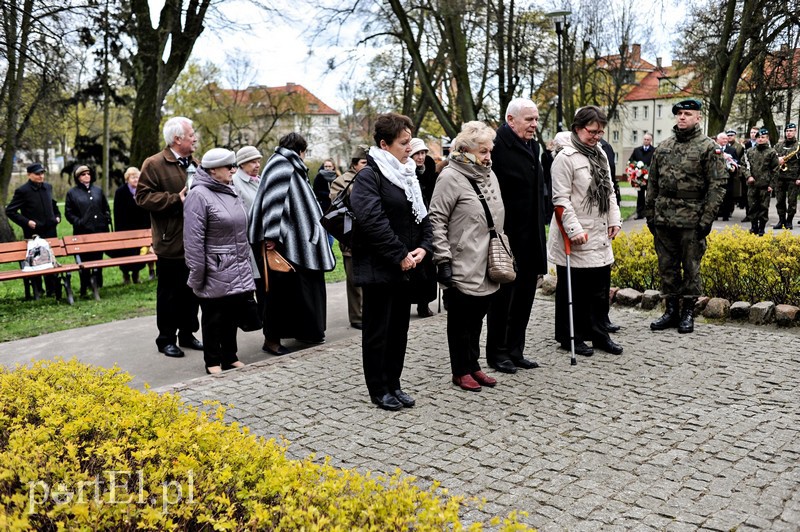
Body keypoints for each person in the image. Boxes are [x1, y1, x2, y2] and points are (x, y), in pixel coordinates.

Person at [349, 113, 433, 411]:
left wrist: (424, 247)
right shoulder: (370, 176)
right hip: (381, 266)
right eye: (403, 143)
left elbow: (422, 216)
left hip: (407, 265)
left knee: (399, 329)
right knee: (378, 331)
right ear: (384, 144)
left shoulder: (408, 174)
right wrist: (399, 254)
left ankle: (395, 384)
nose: (409, 148)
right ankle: (378, 388)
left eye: (410, 141)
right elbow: (372, 220)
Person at [429, 121, 504, 391]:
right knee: (461, 319)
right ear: (465, 150)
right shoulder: (450, 177)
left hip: (486, 258)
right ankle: (460, 370)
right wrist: (443, 259)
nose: (488, 157)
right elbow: (436, 220)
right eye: (483, 151)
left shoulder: (488, 173)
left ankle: (473, 365)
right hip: (461, 259)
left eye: (490, 151)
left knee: (477, 317)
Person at [249, 133, 335, 355]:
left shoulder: (288, 164)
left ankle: (305, 332)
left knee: (298, 291)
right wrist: (270, 236)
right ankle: (272, 340)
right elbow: (273, 202)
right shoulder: (282, 165)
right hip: (282, 244)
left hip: (296, 243)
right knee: (278, 294)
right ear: (300, 151)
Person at [644, 99, 726, 334]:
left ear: (698, 117)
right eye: (679, 113)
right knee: (666, 266)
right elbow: (652, 182)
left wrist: (707, 218)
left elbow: (717, 185)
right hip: (664, 217)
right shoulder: (664, 146)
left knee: (691, 266)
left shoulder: (707, 147)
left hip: (692, 217)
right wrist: (650, 213)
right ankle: (671, 310)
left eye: (687, 114)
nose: (682, 117)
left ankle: (688, 311)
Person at [548, 106, 623, 356]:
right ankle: (571, 336)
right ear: (578, 129)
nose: (597, 136)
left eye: (600, 131)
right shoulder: (565, 158)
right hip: (577, 233)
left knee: (599, 290)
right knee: (574, 290)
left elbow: (609, 189)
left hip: (600, 232)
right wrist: (573, 229)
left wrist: (615, 219)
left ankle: (599, 334)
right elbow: (561, 200)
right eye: (592, 131)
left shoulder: (600, 153)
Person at [485, 97, 547, 374]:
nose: (534, 124)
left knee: (524, 297)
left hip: (530, 236)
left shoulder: (532, 145)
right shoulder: (496, 148)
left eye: (536, 119)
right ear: (511, 120)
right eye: (529, 119)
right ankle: (497, 353)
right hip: (507, 238)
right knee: (503, 300)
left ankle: (515, 350)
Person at [184, 148, 256, 375]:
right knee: (213, 316)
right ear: (213, 170)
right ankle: (212, 360)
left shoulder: (230, 189)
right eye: (229, 167)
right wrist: (197, 275)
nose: (233, 170)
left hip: (236, 264)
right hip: (213, 266)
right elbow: (193, 240)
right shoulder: (199, 195)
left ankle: (230, 356)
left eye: (234, 166)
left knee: (232, 314)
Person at [136, 116, 203, 358]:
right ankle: (166, 339)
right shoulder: (154, 164)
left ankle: (187, 333)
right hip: (170, 241)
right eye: (191, 134)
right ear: (177, 139)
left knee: (191, 291)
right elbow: (142, 198)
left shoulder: (195, 163)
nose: (194, 138)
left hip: (194, 241)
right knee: (169, 294)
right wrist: (176, 199)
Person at [232, 145, 272, 349]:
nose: (257, 165)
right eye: (252, 162)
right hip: (248, 245)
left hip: (263, 242)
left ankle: (270, 333)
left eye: (258, 161)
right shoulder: (236, 183)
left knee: (266, 289)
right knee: (257, 289)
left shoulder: (258, 180)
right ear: (241, 164)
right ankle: (266, 334)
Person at [5, 162, 61, 298]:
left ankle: (52, 290)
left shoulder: (48, 187)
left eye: (42, 173)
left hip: (50, 231)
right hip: (34, 233)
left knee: (50, 259)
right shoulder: (22, 191)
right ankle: (38, 291)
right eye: (37, 174)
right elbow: (10, 211)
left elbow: (53, 205)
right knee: (36, 262)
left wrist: (57, 217)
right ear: (29, 175)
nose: (41, 176)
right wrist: (27, 222)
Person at [329, 145, 368, 330]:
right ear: (354, 164)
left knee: (369, 279)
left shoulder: (372, 177)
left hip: (370, 236)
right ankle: (357, 316)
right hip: (351, 237)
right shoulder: (341, 181)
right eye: (363, 163)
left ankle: (368, 313)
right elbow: (338, 206)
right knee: (354, 281)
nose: (366, 166)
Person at [65, 165, 112, 298]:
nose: (87, 176)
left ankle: (97, 284)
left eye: (88, 173)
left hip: (99, 230)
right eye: (83, 174)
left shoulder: (97, 191)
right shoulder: (72, 193)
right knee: (84, 262)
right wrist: (78, 222)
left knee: (98, 259)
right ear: (78, 177)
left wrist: (106, 217)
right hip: (82, 233)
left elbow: (105, 207)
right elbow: (68, 213)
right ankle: (84, 286)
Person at [409, 137, 438, 318]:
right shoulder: (406, 173)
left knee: (427, 267)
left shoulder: (429, 172)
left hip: (427, 223)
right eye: (417, 153)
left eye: (423, 153)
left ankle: (424, 303)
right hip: (411, 225)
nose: (420, 157)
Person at [114, 167, 155, 284]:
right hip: (125, 228)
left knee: (139, 252)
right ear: (127, 179)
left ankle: (136, 275)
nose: (136, 179)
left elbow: (147, 210)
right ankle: (126, 275)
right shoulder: (120, 192)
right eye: (133, 177)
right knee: (126, 253)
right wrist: (119, 231)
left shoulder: (142, 191)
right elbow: (118, 212)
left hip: (141, 228)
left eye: (137, 177)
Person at [746, 128, 780, 236]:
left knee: (763, 208)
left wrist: (771, 185)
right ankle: (753, 226)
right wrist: (748, 176)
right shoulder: (750, 151)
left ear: (767, 138)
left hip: (765, 186)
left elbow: (775, 169)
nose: (760, 139)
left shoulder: (771, 152)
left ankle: (761, 228)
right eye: (758, 137)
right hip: (752, 184)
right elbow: (744, 166)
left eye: (762, 137)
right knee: (752, 207)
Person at [772, 123, 799, 229]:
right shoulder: (778, 146)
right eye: (787, 131)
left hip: (793, 177)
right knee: (779, 200)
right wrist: (777, 160)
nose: (789, 133)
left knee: (792, 201)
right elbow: (772, 159)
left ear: (795, 132)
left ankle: (789, 221)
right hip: (779, 177)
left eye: (791, 131)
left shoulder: (798, 146)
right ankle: (781, 220)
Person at [630, 133, 655, 220]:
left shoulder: (654, 151)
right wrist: (635, 169)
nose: (646, 141)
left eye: (648, 139)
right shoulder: (637, 150)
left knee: (650, 195)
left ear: (651, 141)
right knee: (640, 195)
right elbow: (631, 161)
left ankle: (650, 214)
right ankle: (640, 213)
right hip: (639, 178)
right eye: (645, 139)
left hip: (650, 178)